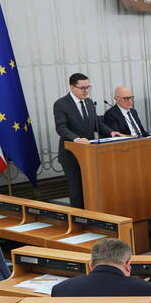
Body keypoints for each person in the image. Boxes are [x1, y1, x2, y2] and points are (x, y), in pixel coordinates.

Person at [52, 73, 100, 208]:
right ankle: (79, 222)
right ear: (72, 87)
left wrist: (111, 132)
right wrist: (77, 139)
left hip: (89, 154)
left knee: (91, 189)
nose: (86, 91)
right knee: (77, 190)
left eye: (88, 87)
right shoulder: (61, 104)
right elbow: (61, 128)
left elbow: (96, 123)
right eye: (82, 88)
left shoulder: (89, 102)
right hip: (71, 155)